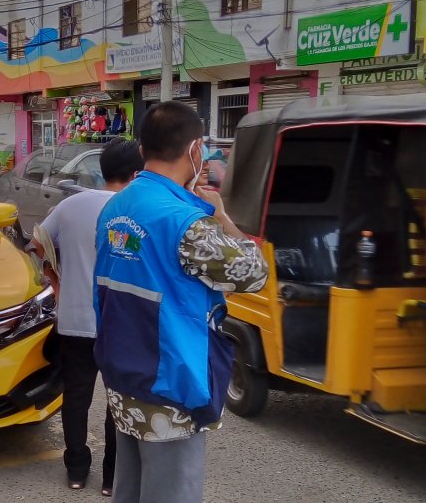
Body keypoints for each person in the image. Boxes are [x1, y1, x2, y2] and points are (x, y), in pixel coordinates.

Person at [94, 101, 269, 503]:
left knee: (131, 488)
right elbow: (255, 274)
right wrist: (222, 216)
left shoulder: (115, 207)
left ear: (143, 149)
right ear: (195, 149)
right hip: (170, 383)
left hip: (123, 373)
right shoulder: (186, 222)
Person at [33, 138, 144, 496]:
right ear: (136, 174)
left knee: (76, 396)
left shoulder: (71, 205)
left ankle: (76, 471)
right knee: (116, 402)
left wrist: (55, 278)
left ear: (103, 169)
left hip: (75, 318)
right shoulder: (133, 210)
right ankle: (112, 478)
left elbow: (38, 242)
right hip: (118, 323)